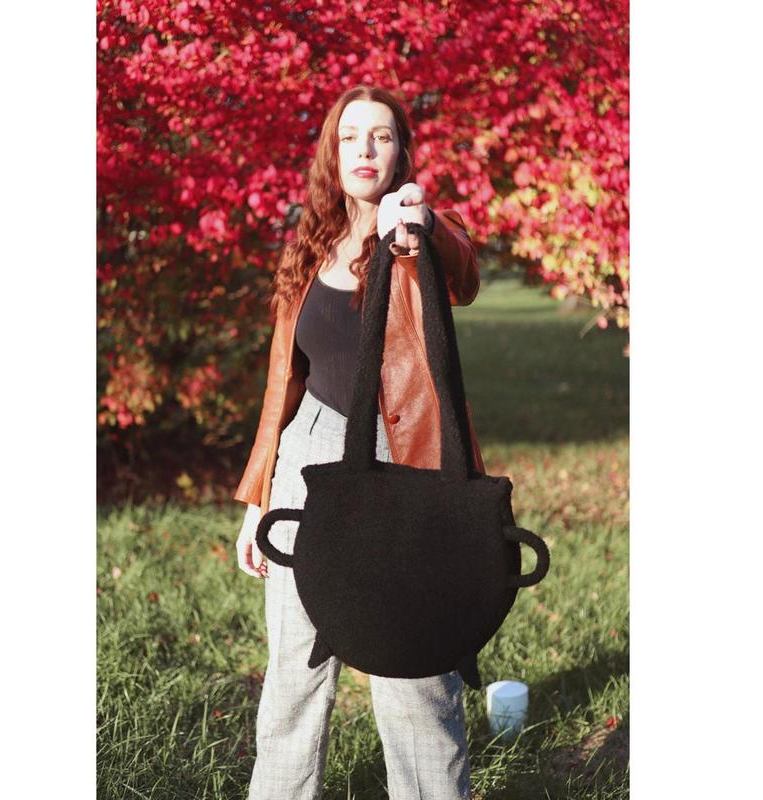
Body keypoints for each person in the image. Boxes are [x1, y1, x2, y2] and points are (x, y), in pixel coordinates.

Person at [234, 84, 485, 800]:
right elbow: (285, 383)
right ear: (333, 153)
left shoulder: (418, 234)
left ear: (401, 152)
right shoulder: (310, 244)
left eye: (381, 135)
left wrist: (421, 229)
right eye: (350, 136)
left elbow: (464, 271)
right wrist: (257, 499)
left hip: (400, 459)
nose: (365, 149)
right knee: (295, 669)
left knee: (412, 668)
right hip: (306, 454)